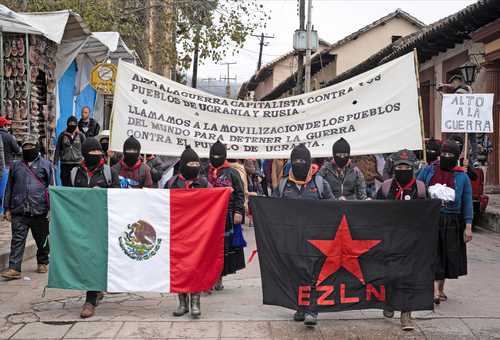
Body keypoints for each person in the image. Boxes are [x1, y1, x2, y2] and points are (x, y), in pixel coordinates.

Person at [274, 144, 333, 327]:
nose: (299, 164)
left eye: (303, 161)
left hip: (316, 238)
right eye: (296, 161)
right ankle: (300, 306)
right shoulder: (284, 184)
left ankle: (312, 310)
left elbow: (332, 208)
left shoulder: (320, 183)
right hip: (292, 238)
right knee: (295, 272)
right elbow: (274, 210)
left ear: (309, 162)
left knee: (313, 273)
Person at [376, 149, 427, 331]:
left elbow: (426, 214)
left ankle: (406, 314)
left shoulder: (420, 188)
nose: (403, 169)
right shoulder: (386, 187)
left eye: (406, 167)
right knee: (390, 275)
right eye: (399, 167)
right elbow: (374, 211)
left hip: (411, 242)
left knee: (409, 278)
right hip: (390, 240)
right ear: (394, 168)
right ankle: (389, 303)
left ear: (412, 168)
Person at [417, 140, 473, 305]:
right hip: (431, 218)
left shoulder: (462, 176)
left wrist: (468, 226)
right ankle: (433, 290)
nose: (446, 157)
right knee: (435, 254)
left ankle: (440, 289)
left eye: (450, 155)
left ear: (456, 157)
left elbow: (467, 201)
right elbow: (417, 188)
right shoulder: (428, 170)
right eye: (444, 154)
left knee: (447, 255)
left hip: (452, 220)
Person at [69, 138, 119, 318]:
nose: (97, 156)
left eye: (99, 153)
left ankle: (90, 299)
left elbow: (118, 197)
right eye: (92, 153)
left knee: (96, 258)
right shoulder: (75, 173)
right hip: (82, 224)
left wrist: (103, 195)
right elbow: (70, 198)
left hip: (103, 223)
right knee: (87, 259)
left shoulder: (109, 172)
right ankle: (95, 291)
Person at [1, 135, 53, 280]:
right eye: (25, 147)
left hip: (40, 209)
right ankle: (14, 267)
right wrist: (7, 208)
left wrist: (51, 209)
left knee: (42, 238)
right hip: (19, 209)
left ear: (36, 147)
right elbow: (9, 188)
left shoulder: (46, 165)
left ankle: (43, 261)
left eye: (31, 146)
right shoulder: (16, 166)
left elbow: (52, 188)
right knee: (17, 239)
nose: (28, 149)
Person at [165, 146, 209, 318]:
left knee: (195, 266)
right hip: (177, 231)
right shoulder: (172, 183)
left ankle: (195, 302)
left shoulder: (204, 183)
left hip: (198, 232)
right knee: (179, 267)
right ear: (182, 165)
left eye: (195, 163)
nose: (193, 166)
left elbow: (214, 201)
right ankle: (182, 303)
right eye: (189, 163)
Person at [207, 141, 245, 290]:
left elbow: (240, 194)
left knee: (222, 248)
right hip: (208, 217)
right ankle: (208, 278)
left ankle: (219, 278)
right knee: (209, 248)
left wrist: (238, 211)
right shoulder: (205, 172)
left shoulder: (232, 173)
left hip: (226, 216)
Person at [55, 116, 85, 186]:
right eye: (70, 123)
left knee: (77, 183)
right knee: (65, 183)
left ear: (76, 124)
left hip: (78, 164)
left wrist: (85, 161)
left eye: (73, 123)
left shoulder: (81, 135)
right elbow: (58, 149)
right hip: (65, 164)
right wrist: (55, 163)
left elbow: (85, 149)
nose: (72, 125)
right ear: (67, 124)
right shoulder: (62, 135)